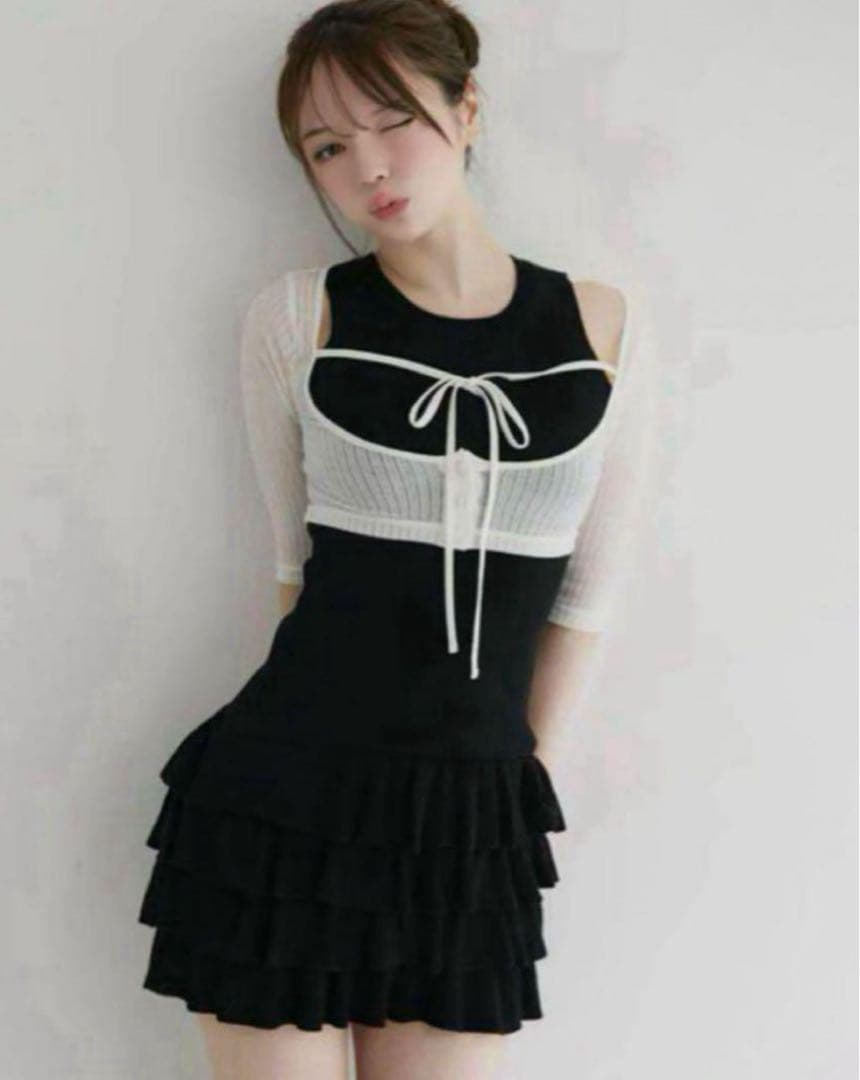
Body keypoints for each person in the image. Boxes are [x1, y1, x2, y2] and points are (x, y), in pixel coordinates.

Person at [136, 1, 657, 1077]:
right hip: (283, 799)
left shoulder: (604, 329)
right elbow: (294, 569)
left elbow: (586, 597)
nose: (366, 166)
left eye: (393, 120)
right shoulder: (299, 320)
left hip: (470, 819)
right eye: (327, 147)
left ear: (466, 112)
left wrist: (518, 785)